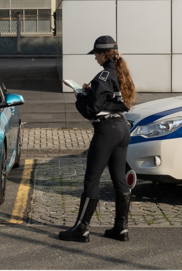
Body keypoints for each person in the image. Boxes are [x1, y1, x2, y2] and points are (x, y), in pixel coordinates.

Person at [58, 35, 136, 243]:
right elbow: (116, 101)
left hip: (106, 131)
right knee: (119, 179)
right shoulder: (122, 73)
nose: (94, 58)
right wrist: (91, 92)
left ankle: (81, 229)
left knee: (91, 179)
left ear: (103, 54)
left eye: (96, 55)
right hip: (121, 128)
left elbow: (91, 110)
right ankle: (121, 228)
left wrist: (81, 98)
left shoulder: (103, 76)